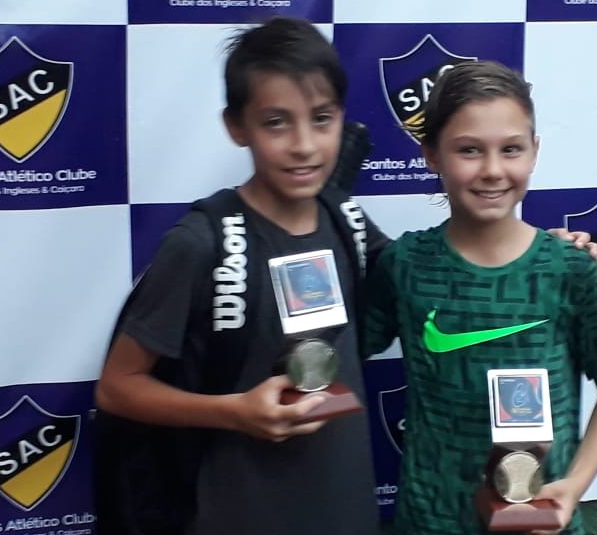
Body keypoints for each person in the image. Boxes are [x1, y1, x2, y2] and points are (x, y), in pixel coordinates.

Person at [94, 17, 385, 535]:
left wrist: (532, 250)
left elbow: (430, 279)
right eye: (276, 123)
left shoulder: (348, 220)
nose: (303, 144)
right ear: (236, 126)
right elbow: (117, 389)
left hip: (347, 511)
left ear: (342, 117)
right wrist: (235, 411)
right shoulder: (199, 242)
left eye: (321, 119)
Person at [360, 61, 597, 535]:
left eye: (511, 149)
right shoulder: (405, 264)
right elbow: (340, 353)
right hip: (429, 524)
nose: (492, 170)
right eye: (469, 150)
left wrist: (573, 487)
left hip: (541, 525)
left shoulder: (570, 269)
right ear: (431, 155)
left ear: (534, 152)